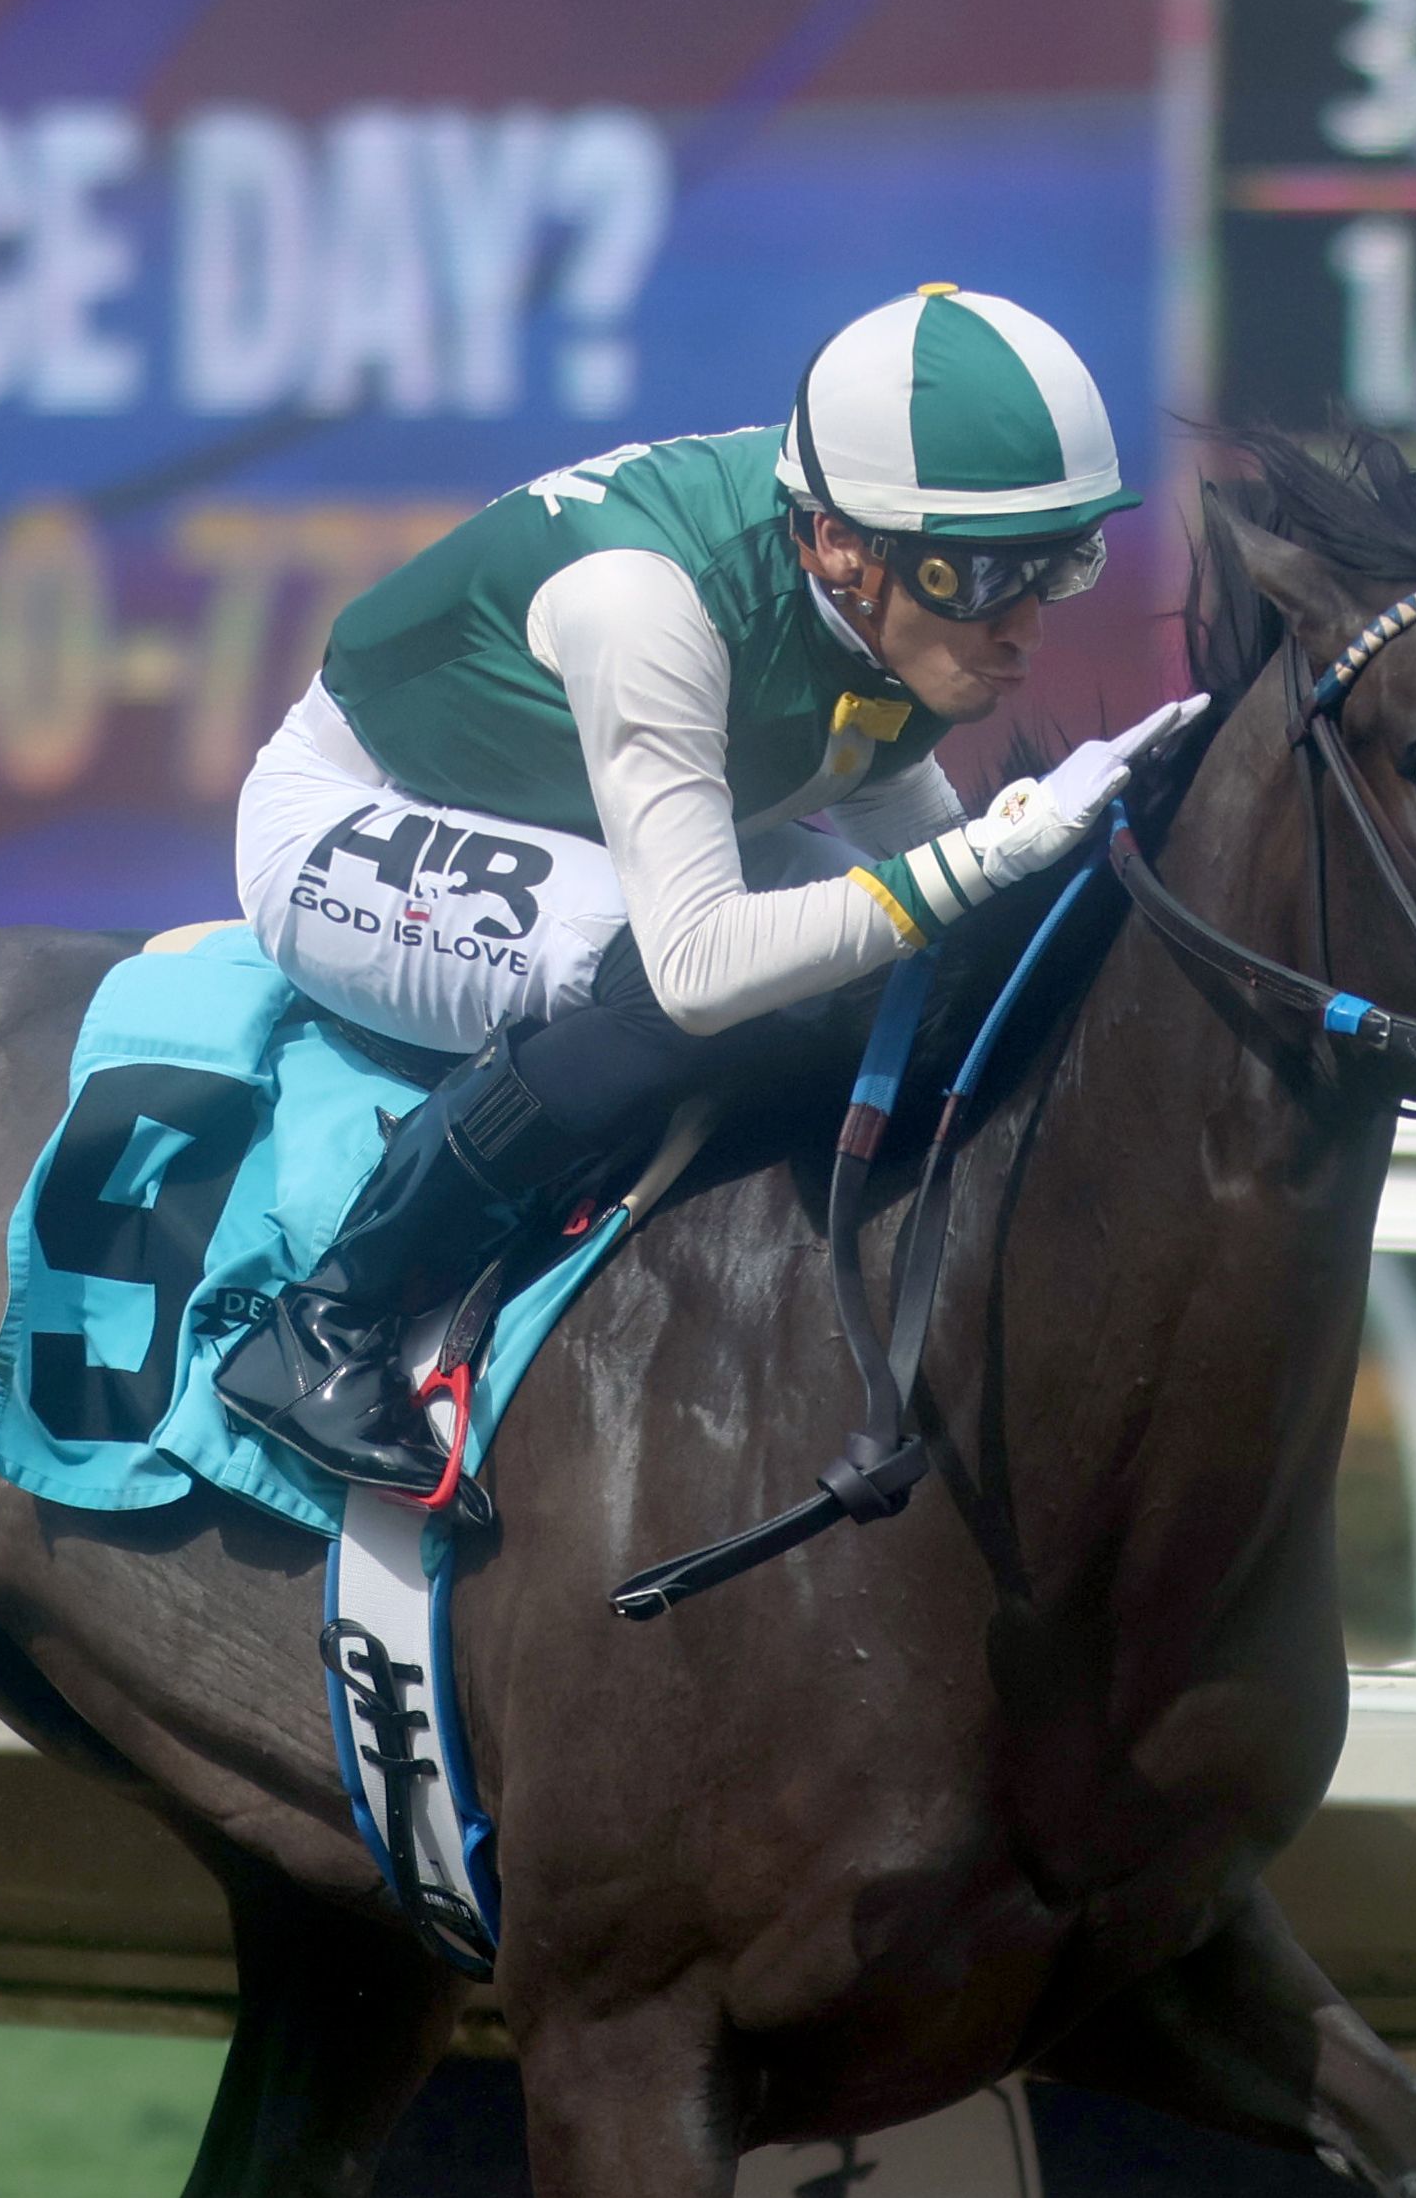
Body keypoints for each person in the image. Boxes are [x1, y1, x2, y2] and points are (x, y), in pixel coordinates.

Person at [215, 282, 1204, 1501]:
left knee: (903, 976)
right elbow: (697, 970)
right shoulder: (645, 604)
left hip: (579, 811)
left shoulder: (871, 573)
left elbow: (924, 892)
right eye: (981, 574)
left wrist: (1042, 878)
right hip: (354, 816)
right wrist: (986, 857)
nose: (1023, 629)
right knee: (681, 994)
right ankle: (323, 1325)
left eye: (1055, 564)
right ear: (840, 544)